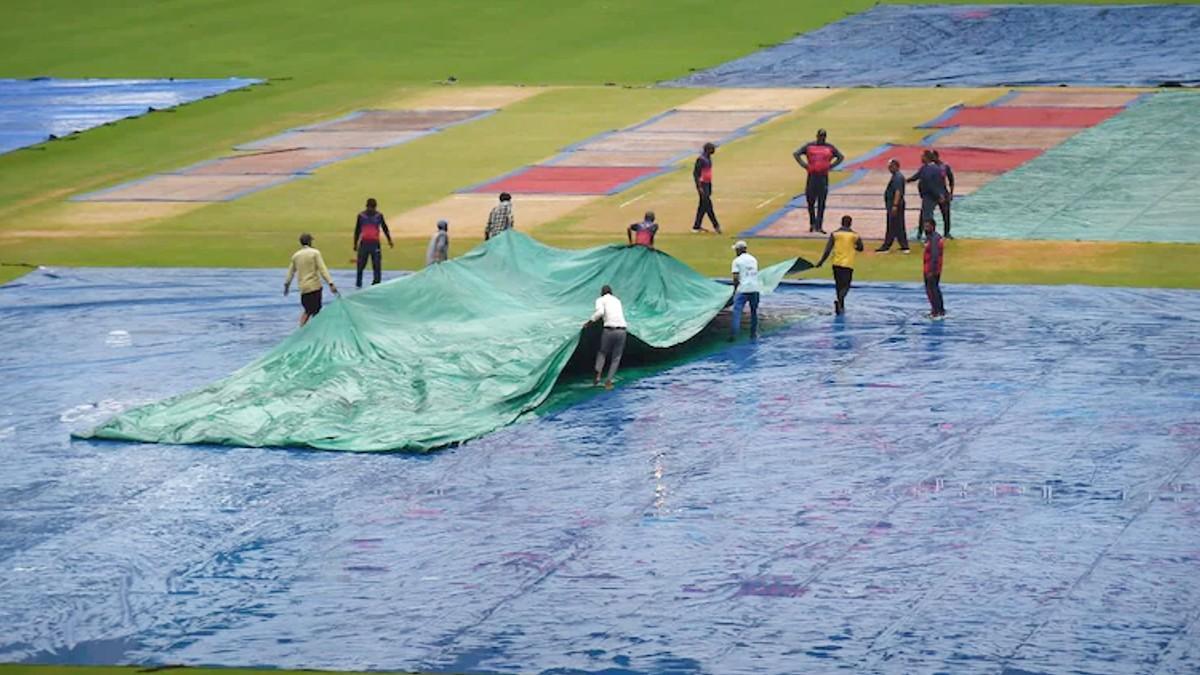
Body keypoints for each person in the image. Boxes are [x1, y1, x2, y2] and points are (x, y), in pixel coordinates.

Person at [792, 128, 845, 233]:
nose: (822, 138)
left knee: (821, 202)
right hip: (812, 176)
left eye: (823, 136)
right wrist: (805, 165)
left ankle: (819, 226)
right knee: (810, 201)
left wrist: (830, 166)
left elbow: (840, 157)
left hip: (823, 177)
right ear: (817, 136)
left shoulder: (829, 147)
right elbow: (796, 153)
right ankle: (812, 223)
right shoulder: (810, 146)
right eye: (820, 136)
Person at [284, 233, 338, 327]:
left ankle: (302, 330)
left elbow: (290, 273)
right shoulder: (315, 253)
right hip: (314, 286)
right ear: (309, 242)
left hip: (303, 288)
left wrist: (287, 286)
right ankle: (313, 331)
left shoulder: (296, 256)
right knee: (315, 311)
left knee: (307, 310)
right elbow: (322, 269)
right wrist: (330, 283)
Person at [815, 215, 864, 316]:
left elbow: (827, 250)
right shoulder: (855, 236)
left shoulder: (835, 234)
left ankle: (841, 305)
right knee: (846, 285)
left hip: (836, 263)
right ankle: (840, 300)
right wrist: (855, 246)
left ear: (841, 223)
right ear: (850, 223)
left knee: (838, 285)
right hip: (848, 264)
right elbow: (861, 248)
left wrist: (821, 262)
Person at [583, 285, 627, 390]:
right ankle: (608, 381)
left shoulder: (601, 300)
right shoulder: (617, 301)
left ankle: (597, 375)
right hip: (622, 330)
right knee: (616, 357)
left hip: (609, 330)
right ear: (611, 292)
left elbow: (600, 312)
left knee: (602, 352)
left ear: (602, 293)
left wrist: (589, 322)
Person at [353, 197, 393, 288]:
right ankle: (358, 283)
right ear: (366, 207)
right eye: (369, 207)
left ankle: (376, 283)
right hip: (364, 243)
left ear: (375, 207)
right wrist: (355, 244)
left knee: (377, 265)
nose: (370, 209)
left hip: (375, 244)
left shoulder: (379, 216)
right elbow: (357, 230)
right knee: (360, 265)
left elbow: (385, 228)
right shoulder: (361, 216)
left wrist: (389, 240)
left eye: (372, 208)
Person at [907, 150, 946, 241]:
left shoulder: (931, 169)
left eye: (922, 156)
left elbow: (931, 184)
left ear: (927, 158)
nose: (921, 158)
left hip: (930, 196)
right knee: (925, 216)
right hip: (928, 196)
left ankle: (930, 237)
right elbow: (916, 176)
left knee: (927, 217)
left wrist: (938, 195)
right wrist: (907, 180)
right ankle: (923, 234)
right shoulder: (925, 168)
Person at [876, 158, 910, 253]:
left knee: (892, 225)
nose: (889, 168)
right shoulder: (896, 176)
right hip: (895, 204)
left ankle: (887, 246)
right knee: (898, 225)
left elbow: (898, 192)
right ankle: (904, 246)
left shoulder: (897, 177)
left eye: (890, 166)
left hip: (895, 205)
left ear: (895, 166)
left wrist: (895, 205)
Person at [729, 240, 761, 341]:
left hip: (743, 289)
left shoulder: (736, 261)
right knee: (754, 312)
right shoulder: (753, 259)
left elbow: (735, 278)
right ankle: (753, 334)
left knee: (737, 312)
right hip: (755, 288)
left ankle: (734, 336)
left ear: (738, 250)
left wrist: (735, 290)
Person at [692, 142, 722, 234]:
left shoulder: (708, 158)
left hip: (707, 184)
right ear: (708, 150)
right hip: (702, 184)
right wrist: (699, 187)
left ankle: (696, 226)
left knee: (703, 206)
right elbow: (695, 174)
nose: (714, 150)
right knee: (708, 205)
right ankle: (716, 225)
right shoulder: (701, 159)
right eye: (713, 149)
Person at [922, 219, 946, 319]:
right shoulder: (932, 237)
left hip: (931, 268)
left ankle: (936, 311)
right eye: (925, 226)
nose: (926, 228)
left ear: (933, 226)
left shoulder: (934, 239)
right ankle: (939, 310)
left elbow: (935, 255)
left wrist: (931, 270)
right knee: (935, 289)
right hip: (932, 267)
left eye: (928, 226)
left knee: (932, 290)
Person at [931, 149, 955, 239]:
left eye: (933, 157)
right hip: (933, 193)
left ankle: (947, 232)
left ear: (937, 156)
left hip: (943, 193)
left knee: (946, 214)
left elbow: (951, 179)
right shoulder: (930, 167)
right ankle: (926, 232)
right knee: (928, 214)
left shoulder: (944, 166)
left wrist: (951, 193)